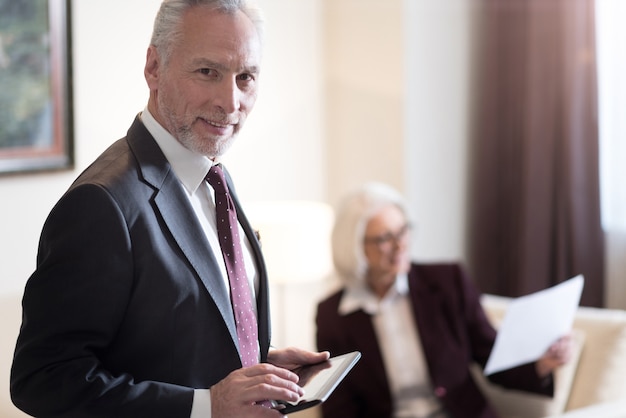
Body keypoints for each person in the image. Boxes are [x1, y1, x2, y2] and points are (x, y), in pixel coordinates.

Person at [10, 1, 328, 417]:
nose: (230, 102)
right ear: (154, 67)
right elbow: (43, 379)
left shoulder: (213, 172)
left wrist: (255, 361)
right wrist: (205, 406)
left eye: (245, 77)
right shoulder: (101, 205)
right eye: (207, 72)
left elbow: (165, 333)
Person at [315, 182, 572, 418]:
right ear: (356, 247)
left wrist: (541, 365)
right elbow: (338, 407)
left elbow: (490, 354)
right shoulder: (333, 315)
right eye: (385, 238)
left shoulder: (448, 281)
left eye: (403, 231)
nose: (400, 245)